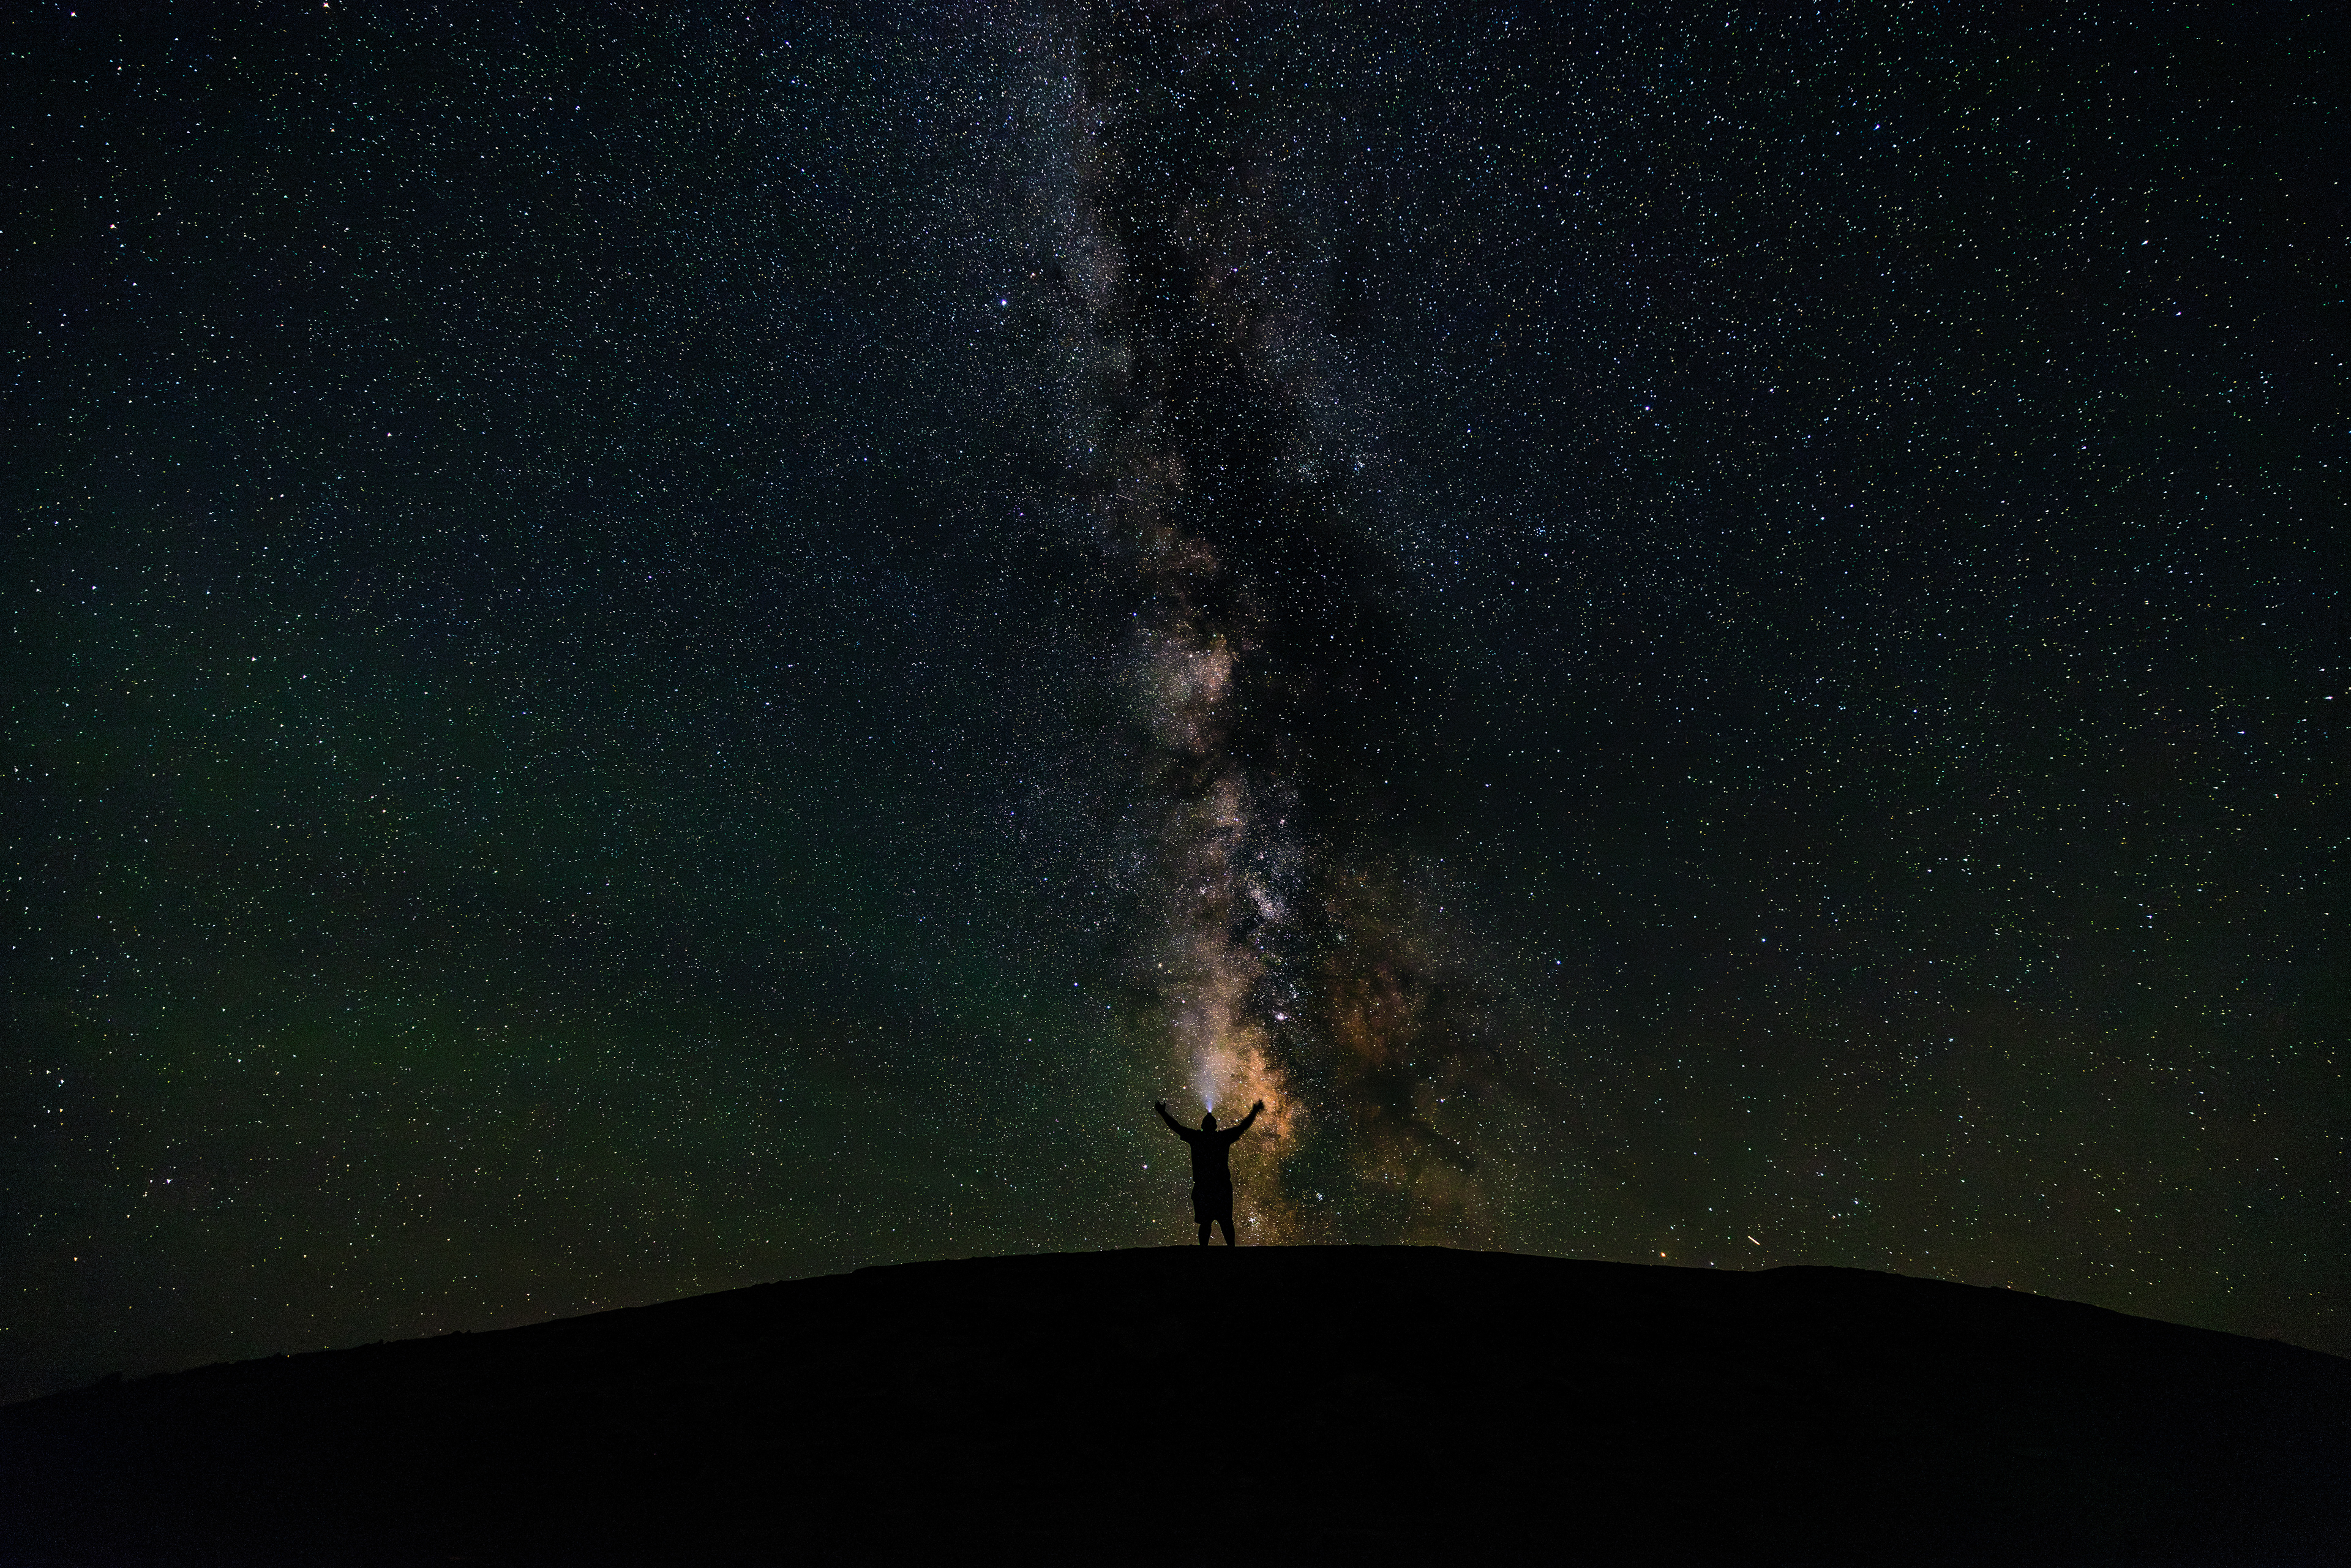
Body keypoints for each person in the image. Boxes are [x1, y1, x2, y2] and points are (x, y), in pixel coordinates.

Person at [1153, 1098, 1264, 1245]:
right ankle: (1231, 1250)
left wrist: (1163, 1113)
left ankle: (1205, 1252)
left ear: (1203, 1126)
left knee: (1208, 1223)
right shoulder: (1221, 1138)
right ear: (1215, 1126)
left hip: (1205, 1187)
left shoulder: (1196, 1137)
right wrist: (1254, 1112)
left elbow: (1176, 1126)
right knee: (1224, 1222)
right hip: (1220, 1187)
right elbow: (1242, 1127)